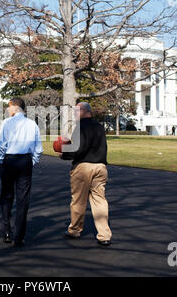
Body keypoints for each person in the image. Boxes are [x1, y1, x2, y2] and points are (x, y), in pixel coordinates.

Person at [58, 102, 111, 247]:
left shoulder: (80, 127)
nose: (74, 114)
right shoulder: (100, 127)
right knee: (99, 200)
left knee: (78, 200)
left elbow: (77, 150)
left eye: (76, 111)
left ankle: (75, 230)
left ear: (84, 111)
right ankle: (104, 235)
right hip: (100, 166)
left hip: (83, 167)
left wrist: (64, 153)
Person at [0, 97, 43, 247]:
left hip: (9, 160)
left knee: (6, 195)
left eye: (9, 107)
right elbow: (38, 148)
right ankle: (19, 236)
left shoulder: (7, 123)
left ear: (15, 107)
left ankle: (7, 231)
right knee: (23, 199)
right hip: (25, 161)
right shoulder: (32, 124)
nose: (8, 110)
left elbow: (1, 144)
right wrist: (32, 161)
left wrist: (1, 160)